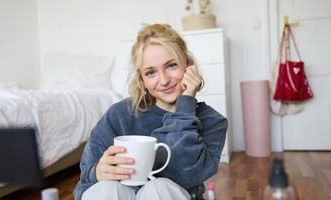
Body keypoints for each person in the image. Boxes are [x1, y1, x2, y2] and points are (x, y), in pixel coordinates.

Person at [73, 23, 228, 200]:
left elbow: (184, 173)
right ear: (142, 79)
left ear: (188, 65)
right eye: (150, 73)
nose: (163, 80)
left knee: (158, 187)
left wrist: (186, 104)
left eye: (171, 66)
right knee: (106, 188)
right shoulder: (119, 115)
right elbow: (83, 185)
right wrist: (96, 173)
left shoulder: (212, 121)